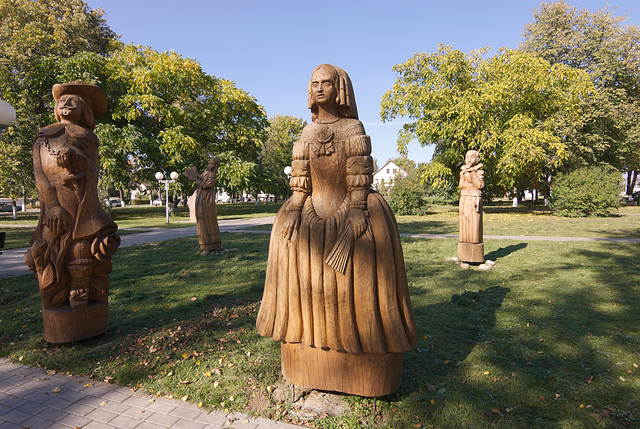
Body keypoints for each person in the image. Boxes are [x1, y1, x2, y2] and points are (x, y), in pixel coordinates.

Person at [256, 65, 416, 396]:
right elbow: (300, 183)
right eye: (313, 83)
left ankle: (365, 351)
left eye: (325, 83)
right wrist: (295, 210)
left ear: (339, 88)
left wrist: (358, 209)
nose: (318, 89)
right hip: (312, 212)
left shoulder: (352, 127)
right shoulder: (306, 133)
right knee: (287, 246)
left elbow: (359, 177)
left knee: (365, 266)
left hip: (352, 209)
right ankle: (306, 350)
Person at [25, 81, 120, 310]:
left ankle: (82, 286)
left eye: (73, 101)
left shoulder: (87, 138)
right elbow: (41, 178)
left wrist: (76, 159)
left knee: (82, 244)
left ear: (84, 109)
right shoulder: (43, 138)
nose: (65, 104)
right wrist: (54, 205)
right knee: (48, 248)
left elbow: (93, 172)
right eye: (61, 101)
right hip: (55, 205)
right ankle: (54, 296)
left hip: (82, 203)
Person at [458, 149, 485, 263]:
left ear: (477, 159)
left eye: (471, 157)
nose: (468, 159)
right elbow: (461, 186)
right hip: (464, 199)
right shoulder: (462, 171)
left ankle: (475, 255)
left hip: (474, 199)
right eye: (466, 157)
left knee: (474, 224)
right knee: (464, 223)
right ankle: (464, 254)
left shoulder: (480, 172)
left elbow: (479, 185)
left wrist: (473, 172)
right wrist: (467, 177)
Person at [192, 157, 221, 253]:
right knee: (201, 218)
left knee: (208, 218)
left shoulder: (212, 175)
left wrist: (197, 180)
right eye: (209, 162)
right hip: (201, 197)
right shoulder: (205, 173)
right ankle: (204, 243)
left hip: (207, 198)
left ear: (215, 166)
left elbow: (207, 186)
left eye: (212, 163)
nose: (210, 165)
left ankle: (212, 243)